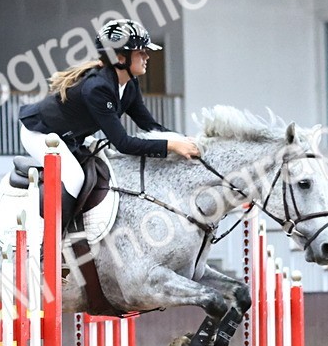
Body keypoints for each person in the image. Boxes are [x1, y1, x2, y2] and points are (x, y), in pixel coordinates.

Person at [19, 19, 200, 206]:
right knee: (74, 179)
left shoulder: (129, 84)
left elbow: (150, 126)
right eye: (141, 52)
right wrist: (171, 145)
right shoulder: (97, 88)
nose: (147, 57)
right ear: (121, 58)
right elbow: (123, 143)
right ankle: (52, 234)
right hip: (40, 134)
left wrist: (183, 140)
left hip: (70, 136)